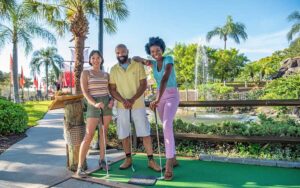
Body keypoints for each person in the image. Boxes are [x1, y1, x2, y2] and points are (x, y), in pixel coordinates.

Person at [132, 37, 179, 180]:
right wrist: (140, 59)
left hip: (171, 95)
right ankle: (174, 158)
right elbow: (136, 58)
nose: (155, 53)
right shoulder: (152, 63)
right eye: (152, 51)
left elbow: (165, 78)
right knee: (166, 127)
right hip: (160, 96)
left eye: (157, 50)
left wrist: (156, 100)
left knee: (166, 125)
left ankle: (169, 164)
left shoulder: (168, 59)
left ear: (162, 49)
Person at [109, 44, 161, 172]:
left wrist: (132, 99)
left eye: (123, 52)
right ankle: (128, 159)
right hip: (122, 106)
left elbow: (143, 85)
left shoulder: (137, 64)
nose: (120, 54)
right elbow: (112, 89)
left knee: (145, 133)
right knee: (124, 133)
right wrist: (123, 101)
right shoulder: (114, 69)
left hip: (138, 105)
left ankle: (151, 161)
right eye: (117, 53)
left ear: (128, 51)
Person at [76, 50, 114, 177]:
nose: (96, 60)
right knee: (89, 135)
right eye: (93, 58)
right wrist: (94, 104)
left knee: (103, 134)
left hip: (106, 103)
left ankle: (102, 160)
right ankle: (80, 166)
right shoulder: (86, 73)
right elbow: (85, 92)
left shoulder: (106, 74)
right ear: (90, 60)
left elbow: (110, 91)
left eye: (98, 58)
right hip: (94, 104)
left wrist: (111, 100)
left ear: (102, 59)